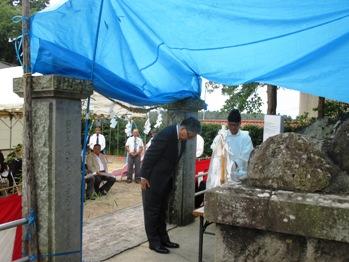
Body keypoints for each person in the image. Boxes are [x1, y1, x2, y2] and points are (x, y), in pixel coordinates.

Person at [141, 117, 201, 254]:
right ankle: (154, 242)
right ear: (183, 128)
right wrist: (143, 177)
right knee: (152, 212)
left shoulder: (182, 139)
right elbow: (150, 154)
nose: (190, 139)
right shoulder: (166, 134)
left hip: (166, 180)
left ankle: (163, 239)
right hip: (152, 180)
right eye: (190, 135)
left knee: (162, 212)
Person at [206, 109, 253, 189]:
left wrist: (234, 164)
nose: (233, 127)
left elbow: (246, 155)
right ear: (227, 123)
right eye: (231, 125)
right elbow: (215, 153)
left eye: (235, 125)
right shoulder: (222, 136)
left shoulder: (245, 137)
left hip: (239, 174)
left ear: (240, 123)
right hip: (222, 173)